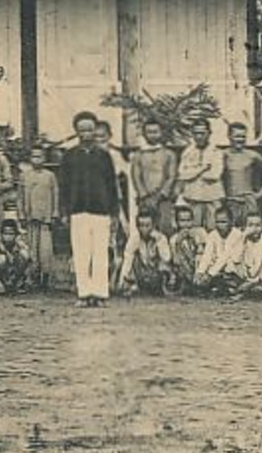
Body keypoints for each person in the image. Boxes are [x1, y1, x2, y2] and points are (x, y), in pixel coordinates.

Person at [57, 112, 120, 308]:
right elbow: (64, 186)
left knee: (100, 252)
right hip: (78, 211)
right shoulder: (69, 156)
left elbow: (112, 186)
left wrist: (115, 213)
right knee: (81, 253)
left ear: (95, 131)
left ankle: (99, 294)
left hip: (101, 211)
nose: (86, 133)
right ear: (76, 131)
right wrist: (64, 211)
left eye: (90, 129)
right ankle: (83, 294)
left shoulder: (104, 156)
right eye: (82, 129)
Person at [18, 143, 60, 288]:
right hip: (30, 217)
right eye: (34, 156)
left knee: (45, 248)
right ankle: (32, 276)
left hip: (45, 218)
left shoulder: (50, 176)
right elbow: (20, 197)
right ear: (30, 159)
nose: (37, 160)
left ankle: (46, 277)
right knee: (32, 248)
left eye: (39, 156)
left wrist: (54, 212)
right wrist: (22, 214)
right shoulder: (24, 176)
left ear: (44, 158)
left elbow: (55, 194)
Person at [131, 119, 181, 236]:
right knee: (146, 229)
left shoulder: (169, 154)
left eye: (155, 131)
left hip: (164, 199)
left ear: (161, 132)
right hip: (146, 200)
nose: (152, 135)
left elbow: (172, 176)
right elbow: (136, 176)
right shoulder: (138, 155)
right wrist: (144, 195)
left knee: (165, 227)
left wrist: (161, 195)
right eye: (149, 132)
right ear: (144, 134)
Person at [222, 123, 262, 226]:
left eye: (243, 136)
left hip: (248, 201)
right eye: (237, 136)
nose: (240, 139)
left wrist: (261, 192)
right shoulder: (224, 155)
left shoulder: (252, 155)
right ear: (229, 136)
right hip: (230, 201)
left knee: (251, 230)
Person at [176, 119, 224, 230]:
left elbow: (214, 175)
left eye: (202, 133)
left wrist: (192, 170)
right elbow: (183, 174)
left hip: (212, 197)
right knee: (193, 230)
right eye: (196, 133)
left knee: (214, 229)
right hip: (193, 197)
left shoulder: (216, 152)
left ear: (209, 133)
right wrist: (202, 168)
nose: (199, 136)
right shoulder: (187, 152)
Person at [193, 206, 246, 294]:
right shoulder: (212, 235)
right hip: (217, 267)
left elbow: (226, 256)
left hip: (232, 267)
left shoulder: (237, 235)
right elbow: (207, 255)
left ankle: (227, 285)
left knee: (230, 264)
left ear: (231, 222)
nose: (220, 225)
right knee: (200, 258)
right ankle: (214, 285)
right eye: (217, 222)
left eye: (223, 222)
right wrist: (200, 272)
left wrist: (210, 274)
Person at [116, 213, 172, 296]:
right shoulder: (134, 239)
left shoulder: (161, 238)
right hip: (141, 273)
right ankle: (134, 286)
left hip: (157, 274)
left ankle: (163, 288)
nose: (144, 228)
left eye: (147, 225)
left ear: (153, 225)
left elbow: (167, 258)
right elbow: (127, 259)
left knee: (163, 265)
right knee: (132, 258)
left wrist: (158, 242)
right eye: (141, 225)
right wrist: (122, 280)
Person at [232, 212, 262, 298]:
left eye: (258, 225)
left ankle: (259, 288)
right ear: (244, 227)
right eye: (250, 225)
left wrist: (257, 280)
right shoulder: (242, 240)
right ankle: (247, 288)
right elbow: (236, 259)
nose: (254, 229)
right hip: (246, 274)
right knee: (231, 263)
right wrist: (243, 236)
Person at [166, 204, 207, 294]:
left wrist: (197, 241)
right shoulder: (174, 239)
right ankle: (189, 285)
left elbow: (206, 253)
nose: (186, 224)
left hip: (202, 268)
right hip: (185, 270)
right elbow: (176, 261)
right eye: (182, 221)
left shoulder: (200, 232)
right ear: (177, 223)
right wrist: (178, 243)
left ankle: (200, 283)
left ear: (192, 221)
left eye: (188, 220)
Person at [0, 218, 31, 294]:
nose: (8, 236)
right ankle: (0, 285)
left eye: (11, 234)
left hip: (13, 274)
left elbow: (28, 259)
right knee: (1, 258)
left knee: (24, 254)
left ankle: (17, 284)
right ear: (1, 234)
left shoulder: (19, 244)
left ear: (15, 235)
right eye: (5, 234)